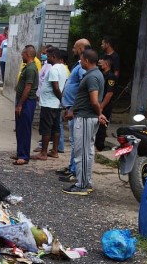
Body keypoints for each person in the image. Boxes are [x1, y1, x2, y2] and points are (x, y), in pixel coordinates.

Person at [63, 49, 107, 196]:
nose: (80, 62)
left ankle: (81, 185)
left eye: (81, 60)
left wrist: (99, 113)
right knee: (87, 151)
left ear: (87, 61)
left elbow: (94, 100)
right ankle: (85, 182)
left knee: (81, 152)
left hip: (86, 118)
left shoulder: (92, 77)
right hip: (85, 116)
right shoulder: (93, 74)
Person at [56, 39, 90, 183]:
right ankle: (71, 167)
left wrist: (73, 108)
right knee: (73, 140)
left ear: (81, 48)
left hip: (76, 109)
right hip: (71, 106)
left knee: (77, 142)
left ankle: (75, 171)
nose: (73, 50)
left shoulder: (83, 66)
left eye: (75, 48)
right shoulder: (78, 63)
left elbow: (83, 88)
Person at [34, 49, 69, 160]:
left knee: (46, 128)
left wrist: (61, 99)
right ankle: (54, 151)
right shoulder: (64, 68)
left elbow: (56, 87)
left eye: (48, 56)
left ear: (54, 57)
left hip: (49, 104)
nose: (46, 58)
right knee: (56, 128)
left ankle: (43, 153)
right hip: (56, 104)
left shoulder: (54, 69)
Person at [13, 46, 39, 165]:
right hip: (23, 101)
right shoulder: (27, 67)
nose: (21, 56)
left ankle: (24, 156)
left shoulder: (31, 69)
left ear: (28, 54)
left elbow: (28, 87)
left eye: (23, 54)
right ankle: (20, 153)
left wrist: (20, 105)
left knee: (25, 129)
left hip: (27, 102)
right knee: (20, 128)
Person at [95, 54, 117, 151]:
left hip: (105, 105)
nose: (99, 63)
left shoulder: (111, 77)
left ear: (107, 63)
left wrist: (102, 106)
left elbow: (109, 93)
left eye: (101, 61)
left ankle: (99, 146)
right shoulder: (101, 74)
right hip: (99, 103)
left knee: (102, 126)